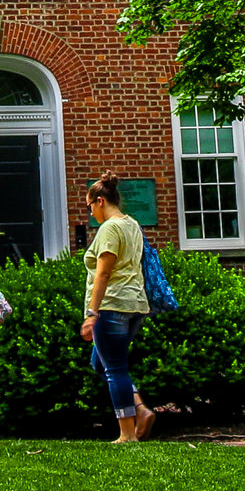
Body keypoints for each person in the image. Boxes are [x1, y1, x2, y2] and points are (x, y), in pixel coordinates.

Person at [81, 172, 155, 443]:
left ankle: (126, 434)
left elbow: (103, 274)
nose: (91, 213)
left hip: (112, 305)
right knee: (99, 363)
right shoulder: (132, 224)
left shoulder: (110, 228)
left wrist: (91, 314)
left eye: (90, 207)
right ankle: (140, 409)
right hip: (135, 304)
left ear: (100, 201)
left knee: (114, 369)